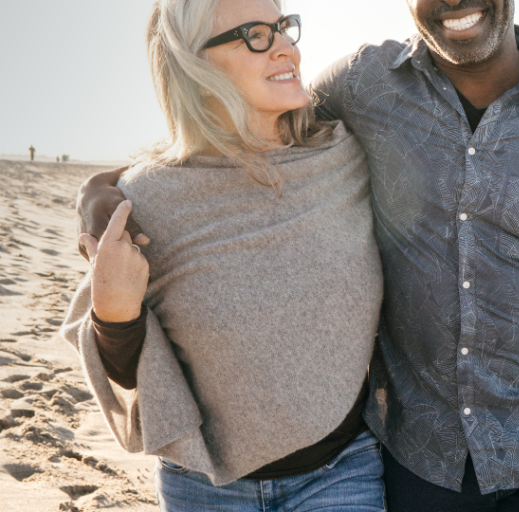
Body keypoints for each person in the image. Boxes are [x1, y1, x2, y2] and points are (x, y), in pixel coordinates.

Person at [79, 0, 519, 511]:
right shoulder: (364, 86)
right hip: (419, 461)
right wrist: (101, 190)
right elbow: (233, 135)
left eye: (279, 30)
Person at [64, 0, 387, 509]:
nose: (285, 46)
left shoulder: (344, 160)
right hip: (203, 483)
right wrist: (115, 313)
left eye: (283, 27)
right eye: (255, 34)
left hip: (341, 470)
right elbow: (130, 376)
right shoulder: (150, 201)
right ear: (194, 62)